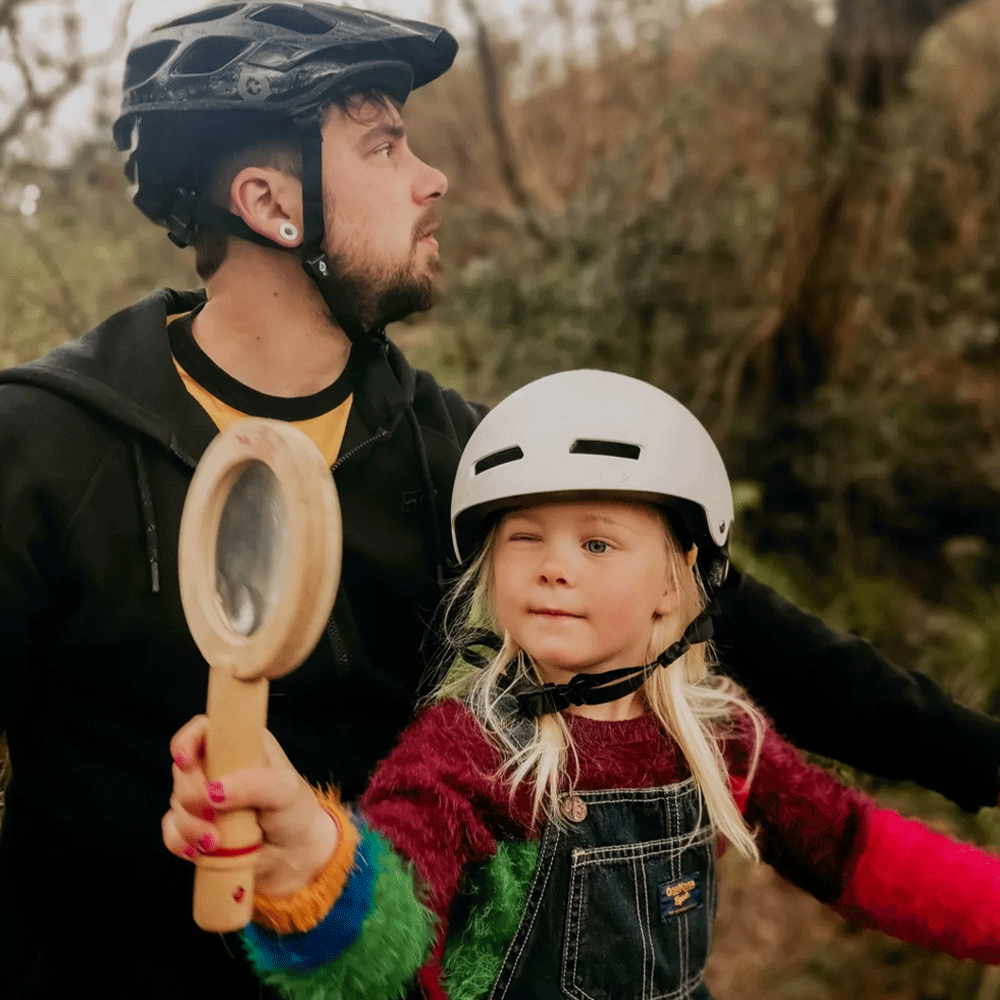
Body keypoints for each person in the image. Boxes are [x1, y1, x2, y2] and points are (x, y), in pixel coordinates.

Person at [1, 2, 999, 998]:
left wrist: (979, 759)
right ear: (272, 204)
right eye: (383, 145)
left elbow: (752, 636)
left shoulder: (473, 461)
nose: (431, 177)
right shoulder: (40, 445)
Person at [162, 370, 1000, 1000]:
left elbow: (860, 854)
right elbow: (390, 934)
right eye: (526, 538)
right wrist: (311, 858)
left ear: (676, 583)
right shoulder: (468, 747)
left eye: (598, 544)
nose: (556, 567)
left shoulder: (720, 737)